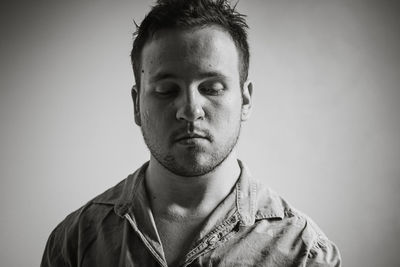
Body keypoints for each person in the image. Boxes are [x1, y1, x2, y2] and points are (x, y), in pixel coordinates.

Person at [41, 0, 341, 266]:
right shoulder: (76, 241)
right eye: (167, 90)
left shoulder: (303, 253)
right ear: (137, 104)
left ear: (245, 100)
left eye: (211, 88)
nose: (190, 109)